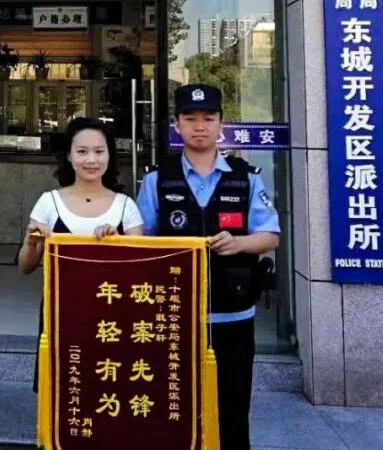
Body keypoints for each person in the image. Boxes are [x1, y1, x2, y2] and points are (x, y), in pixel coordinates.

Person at [136, 84, 280, 450]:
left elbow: (271, 236)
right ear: (177, 126)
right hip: (175, 319)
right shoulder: (157, 179)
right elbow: (139, 242)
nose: (199, 126)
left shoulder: (246, 177)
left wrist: (240, 243)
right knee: (174, 409)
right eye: (190, 118)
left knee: (232, 410)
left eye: (208, 118)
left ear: (221, 125)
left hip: (233, 317)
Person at [19, 117, 144, 390]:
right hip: (60, 316)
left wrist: (118, 243)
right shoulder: (48, 202)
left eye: (99, 151)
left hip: (112, 318)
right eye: (82, 151)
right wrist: (30, 242)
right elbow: (26, 266)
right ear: (69, 156)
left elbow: (139, 271)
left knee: (108, 391)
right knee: (61, 390)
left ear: (109, 155)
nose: (91, 160)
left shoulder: (126, 207)